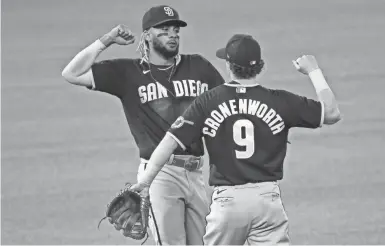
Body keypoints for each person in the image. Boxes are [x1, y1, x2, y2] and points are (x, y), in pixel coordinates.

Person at [130, 34, 342, 245]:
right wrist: (313, 71)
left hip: (229, 203)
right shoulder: (281, 101)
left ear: (229, 65)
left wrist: (146, 181)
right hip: (267, 201)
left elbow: (170, 140)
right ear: (261, 66)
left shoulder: (207, 102)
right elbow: (331, 113)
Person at [61, 5, 225, 245]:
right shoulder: (128, 73)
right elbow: (72, 73)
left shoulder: (199, 67)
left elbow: (228, 106)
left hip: (196, 173)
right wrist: (106, 41)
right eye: (164, 30)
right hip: (159, 175)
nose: (172, 34)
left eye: (175, 30)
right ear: (147, 35)